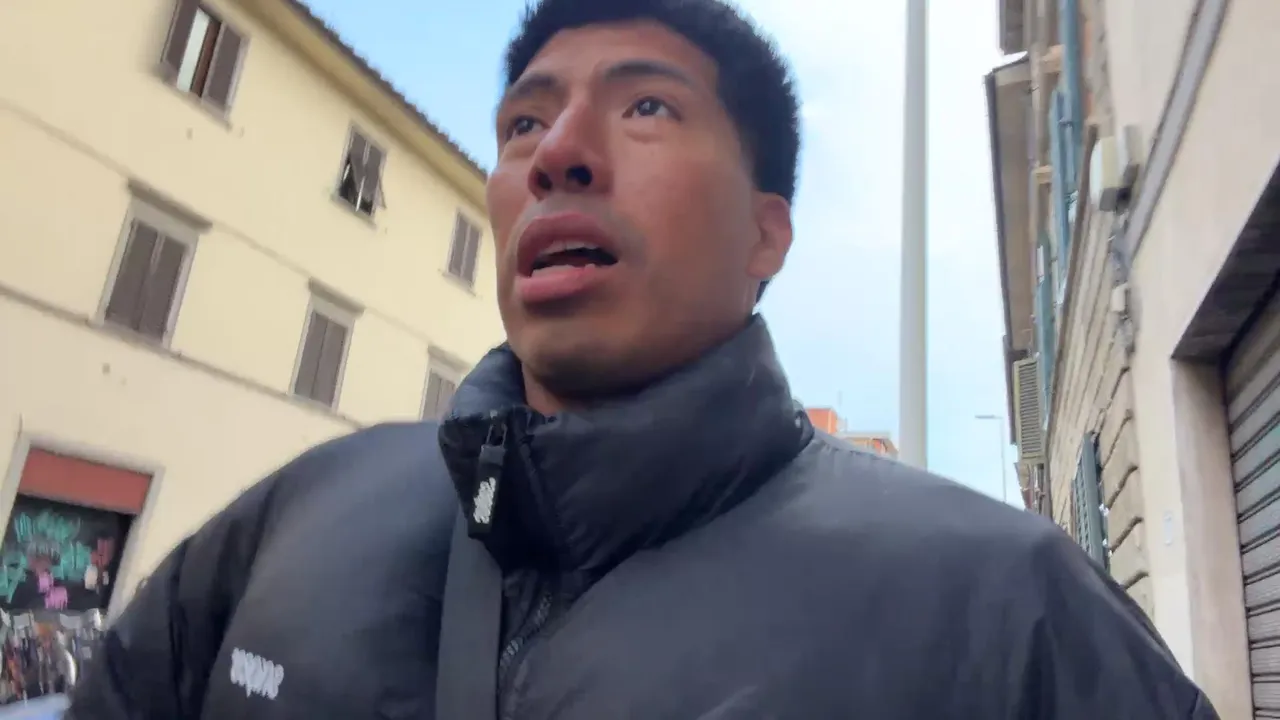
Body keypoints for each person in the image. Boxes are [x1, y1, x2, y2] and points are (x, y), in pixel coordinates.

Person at [68, 0, 1219, 718]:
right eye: (523, 124)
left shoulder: (1007, 611)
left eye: (647, 110)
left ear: (765, 234)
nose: (556, 155)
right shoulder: (304, 510)